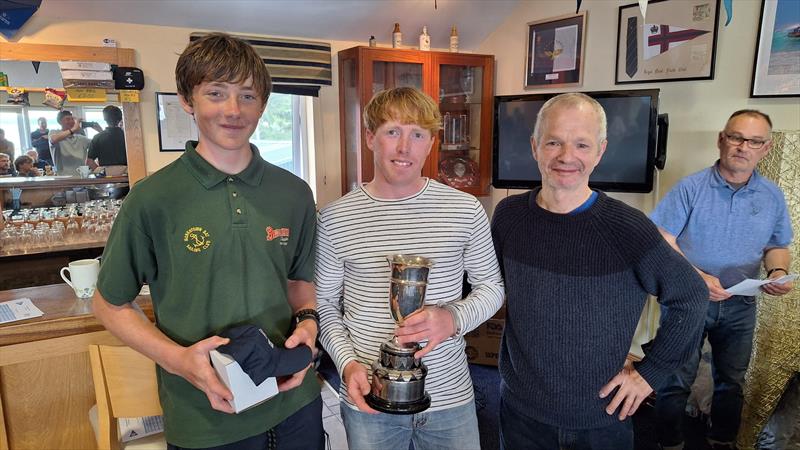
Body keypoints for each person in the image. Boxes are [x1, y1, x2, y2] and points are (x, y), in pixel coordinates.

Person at [92, 33, 324, 450]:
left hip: (294, 402)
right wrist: (180, 361)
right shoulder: (152, 199)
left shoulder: (294, 193)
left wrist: (308, 322)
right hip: (206, 420)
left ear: (263, 104)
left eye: (248, 96)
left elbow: (297, 281)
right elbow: (110, 303)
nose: (233, 110)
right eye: (216, 93)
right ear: (187, 99)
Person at [490, 92, 708, 450]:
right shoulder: (508, 216)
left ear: (600, 151)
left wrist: (649, 374)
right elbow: (487, 288)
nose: (566, 156)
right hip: (520, 412)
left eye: (581, 144)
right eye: (554, 142)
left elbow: (691, 296)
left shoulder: (628, 228)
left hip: (600, 419)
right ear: (534, 146)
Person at [316, 87, 505, 450]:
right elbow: (324, 304)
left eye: (417, 134)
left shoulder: (465, 210)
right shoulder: (335, 218)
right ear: (370, 138)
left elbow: (491, 287)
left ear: (431, 143)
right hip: (368, 393)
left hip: (450, 397)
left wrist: (452, 318)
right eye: (392, 132)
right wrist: (347, 364)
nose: (405, 147)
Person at [652, 109, 794, 450]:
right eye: (736, 137)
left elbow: (777, 244)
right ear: (721, 139)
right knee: (675, 378)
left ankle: (722, 440)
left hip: (741, 303)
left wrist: (777, 272)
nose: (743, 146)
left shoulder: (772, 195)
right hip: (689, 299)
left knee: (732, 381)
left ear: (766, 148)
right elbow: (661, 238)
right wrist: (699, 278)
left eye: (754, 141)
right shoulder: (691, 188)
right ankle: (667, 443)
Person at [49, 110, 101, 176]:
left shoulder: (81, 138)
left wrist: (100, 131)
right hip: (63, 178)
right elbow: (53, 140)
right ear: (60, 122)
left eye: (72, 119)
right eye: (67, 119)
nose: (71, 121)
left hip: (82, 177)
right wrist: (73, 129)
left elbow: (99, 143)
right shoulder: (54, 132)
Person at [87, 105, 128, 176]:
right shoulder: (128, 137)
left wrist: (101, 172)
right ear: (120, 118)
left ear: (105, 119)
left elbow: (89, 161)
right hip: (126, 176)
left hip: (106, 180)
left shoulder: (97, 137)